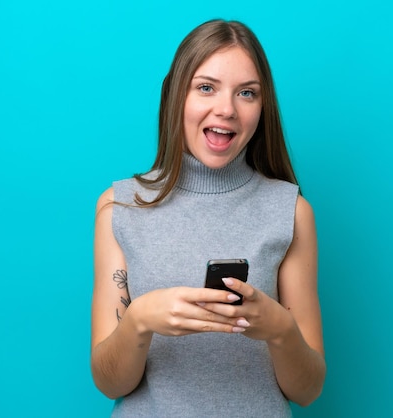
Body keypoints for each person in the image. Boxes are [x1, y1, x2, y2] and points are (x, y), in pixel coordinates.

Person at [91, 19, 326, 417]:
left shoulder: (291, 212)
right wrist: (139, 320)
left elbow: (307, 391)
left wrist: (279, 329)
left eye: (246, 93)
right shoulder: (120, 206)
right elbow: (110, 383)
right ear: (175, 96)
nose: (227, 109)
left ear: (262, 106)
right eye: (206, 87)